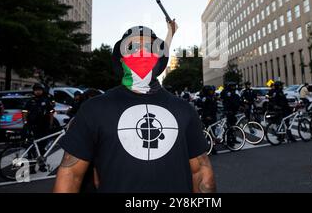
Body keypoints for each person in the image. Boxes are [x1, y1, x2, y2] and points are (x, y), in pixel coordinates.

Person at [53, 22, 215, 193]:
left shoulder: (184, 109)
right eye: (133, 47)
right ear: (121, 58)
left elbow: (201, 171)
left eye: (149, 47)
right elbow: (71, 174)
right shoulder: (94, 109)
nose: (141, 52)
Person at [22, 83, 55, 172]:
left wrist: (51, 124)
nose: (38, 91)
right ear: (34, 91)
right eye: (36, 90)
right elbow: (24, 112)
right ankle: (32, 167)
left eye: (39, 90)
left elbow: (51, 112)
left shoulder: (46, 100)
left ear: (42, 90)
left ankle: (42, 165)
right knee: (31, 147)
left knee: (42, 147)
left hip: (44, 127)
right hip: (32, 126)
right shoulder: (30, 101)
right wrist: (25, 123)